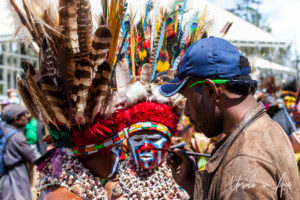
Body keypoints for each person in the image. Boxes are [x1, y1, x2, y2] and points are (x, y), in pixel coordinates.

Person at [9, 0, 127, 199]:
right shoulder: (63, 195)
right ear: (91, 152)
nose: (120, 158)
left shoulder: (79, 185)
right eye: (113, 150)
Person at [159, 37, 300, 199]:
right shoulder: (266, 128)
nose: (187, 112)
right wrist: (192, 183)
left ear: (212, 91)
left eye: (188, 98)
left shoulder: (243, 165)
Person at [0, 104, 37, 200]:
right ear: (16, 118)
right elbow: (33, 157)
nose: (26, 118)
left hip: (4, 177)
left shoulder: (3, 130)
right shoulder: (17, 137)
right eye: (23, 115)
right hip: (17, 176)